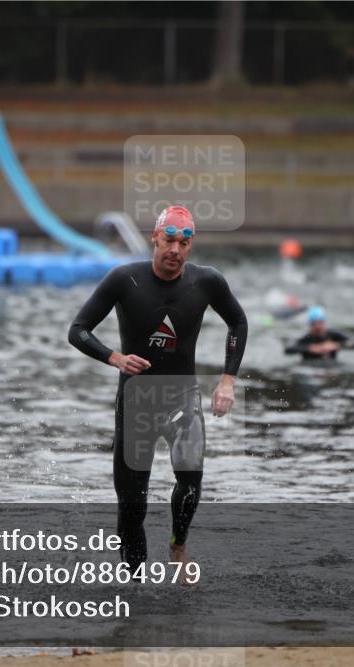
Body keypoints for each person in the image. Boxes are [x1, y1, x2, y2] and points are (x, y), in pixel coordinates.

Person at [68, 205, 248, 579]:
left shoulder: (206, 281)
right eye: (169, 241)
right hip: (136, 403)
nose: (175, 251)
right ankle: (135, 585)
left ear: (191, 245)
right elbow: (79, 329)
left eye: (184, 244)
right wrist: (114, 357)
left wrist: (228, 380)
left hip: (182, 396)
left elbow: (238, 321)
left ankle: (177, 545)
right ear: (155, 237)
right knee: (132, 506)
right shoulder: (124, 279)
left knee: (190, 476)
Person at [284, 305, 350, 360]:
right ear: (310, 325)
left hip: (330, 369)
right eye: (314, 323)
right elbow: (288, 349)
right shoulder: (306, 338)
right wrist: (311, 348)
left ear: (324, 323)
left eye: (320, 323)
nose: (318, 326)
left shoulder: (333, 336)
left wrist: (336, 345)